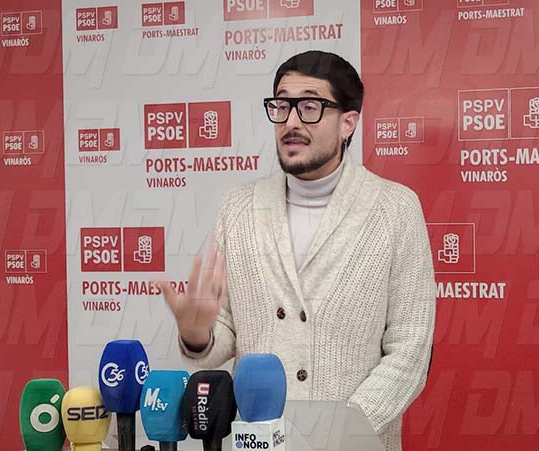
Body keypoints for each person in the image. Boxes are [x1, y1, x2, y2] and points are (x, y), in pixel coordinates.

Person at [154, 50, 435, 451]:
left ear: (348, 122)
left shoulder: (395, 209)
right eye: (282, 106)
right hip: (256, 442)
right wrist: (198, 336)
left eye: (310, 107)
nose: (291, 122)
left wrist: (340, 431)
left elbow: (411, 350)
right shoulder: (239, 208)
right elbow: (226, 334)